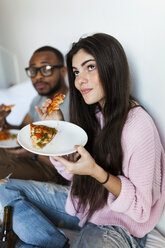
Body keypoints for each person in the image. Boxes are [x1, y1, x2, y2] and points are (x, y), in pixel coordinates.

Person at [0, 33, 165, 248]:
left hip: (119, 224)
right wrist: (56, 130)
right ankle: (54, 243)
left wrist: (96, 171)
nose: (79, 80)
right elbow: (70, 172)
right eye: (76, 72)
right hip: (84, 204)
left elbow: (141, 210)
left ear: (112, 67)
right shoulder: (94, 114)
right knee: (4, 189)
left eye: (90, 67)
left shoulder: (138, 126)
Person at [0, 46, 69, 184]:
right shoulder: (38, 100)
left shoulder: (75, 105)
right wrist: (5, 123)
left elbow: (69, 165)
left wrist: (33, 154)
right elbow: (23, 129)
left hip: (51, 168)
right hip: (28, 155)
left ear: (63, 71)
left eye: (46, 69)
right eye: (33, 71)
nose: (38, 77)